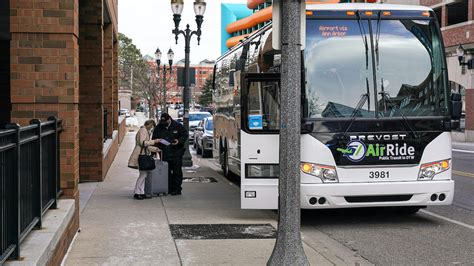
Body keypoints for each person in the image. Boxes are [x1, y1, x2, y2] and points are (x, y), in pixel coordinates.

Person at [152, 113, 188, 195]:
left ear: (169, 119)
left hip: (176, 152)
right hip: (164, 153)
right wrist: (154, 151)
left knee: (177, 171)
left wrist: (179, 141)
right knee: (166, 172)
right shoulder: (158, 127)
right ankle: (169, 188)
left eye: (165, 123)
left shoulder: (178, 126)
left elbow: (185, 135)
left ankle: (177, 189)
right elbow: (154, 139)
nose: (164, 125)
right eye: (162, 123)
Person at [128, 120, 161, 200]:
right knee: (142, 175)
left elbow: (145, 146)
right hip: (141, 155)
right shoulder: (143, 130)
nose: (151, 128)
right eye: (151, 126)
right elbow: (143, 143)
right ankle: (137, 192)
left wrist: (154, 149)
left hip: (142, 154)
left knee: (143, 175)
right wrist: (154, 141)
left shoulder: (145, 130)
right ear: (149, 124)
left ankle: (141, 192)